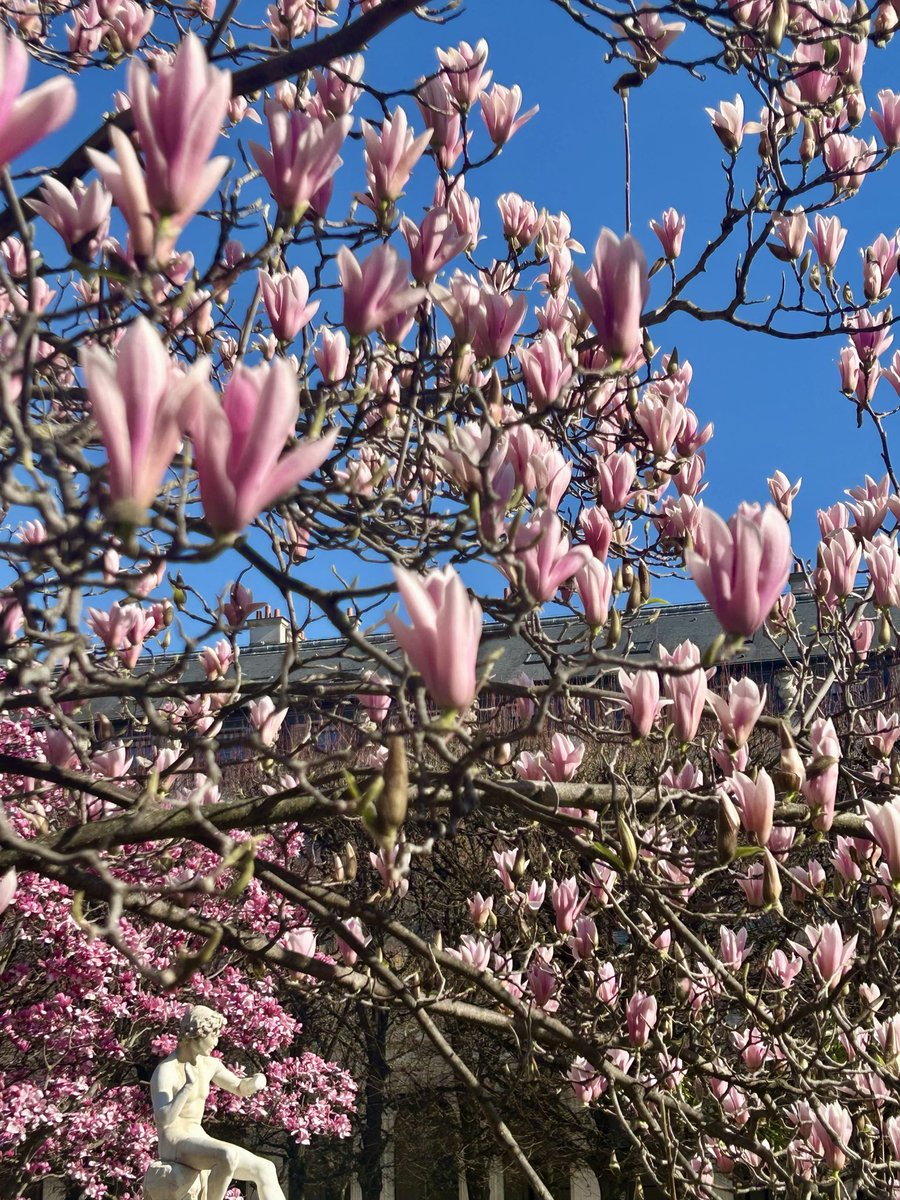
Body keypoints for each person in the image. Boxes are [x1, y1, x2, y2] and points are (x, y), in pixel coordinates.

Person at [149, 1005, 286, 1200]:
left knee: (265, 1168)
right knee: (226, 1155)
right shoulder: (167, 1070)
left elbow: (239, 1087)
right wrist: (187, 1087)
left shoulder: (210, 1064)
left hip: (198, 1137)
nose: (216, 1042)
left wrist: (255, 1082)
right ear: (198, 1033)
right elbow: (164, 1119)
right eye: (213, 1035)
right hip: (174, 1142)